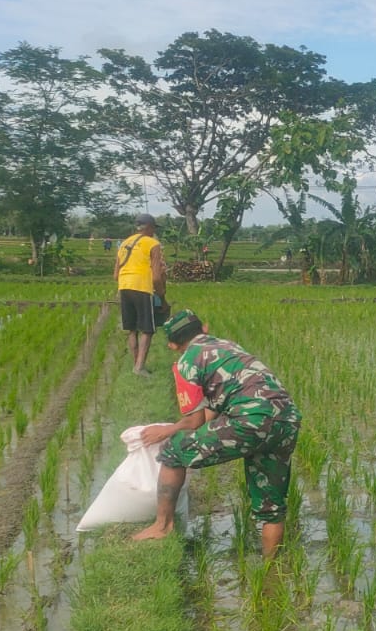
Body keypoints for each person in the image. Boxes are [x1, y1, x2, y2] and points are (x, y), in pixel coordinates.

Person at [135, 310, 301, 559]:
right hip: (287, 419)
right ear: (204, 327)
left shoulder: (187, 362)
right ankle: (271, 572)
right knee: (271, 507)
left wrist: (167, 430)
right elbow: (214, 407)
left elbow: (194, 420)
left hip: (249, 421)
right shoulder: (229, 345)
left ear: (172, 345)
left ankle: (162, 526)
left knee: (174, 451)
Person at [114, 214, 166, 375]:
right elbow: (157, 277)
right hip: (142, 287)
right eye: (153, 229)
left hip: (124, 285)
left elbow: (115, 274)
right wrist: (162, 296)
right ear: (149, 227)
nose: (153, 232)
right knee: (147, 329)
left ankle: (136, 363)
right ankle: (139, 367)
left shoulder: (124, 243)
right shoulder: (153, 244)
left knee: (132, 329)